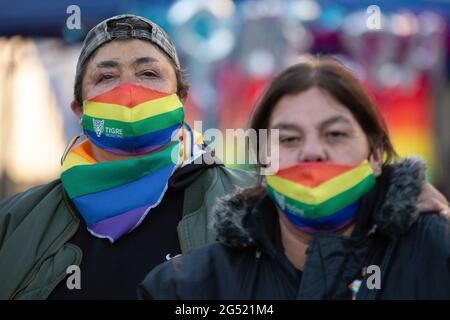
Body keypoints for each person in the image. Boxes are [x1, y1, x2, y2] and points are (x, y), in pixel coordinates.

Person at [140, 57, 450, 299]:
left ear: (375, 155)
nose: (312, 151)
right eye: (289, 139)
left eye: (335, 134)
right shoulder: (187, 287)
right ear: (262, 163)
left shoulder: (434, 253)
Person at [0, 14, 257, 300]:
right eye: (106, 77)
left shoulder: (250, 204)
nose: (129, 92)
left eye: (149, 74)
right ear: (80, 109)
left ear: (181, 99)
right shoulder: (16, 222)